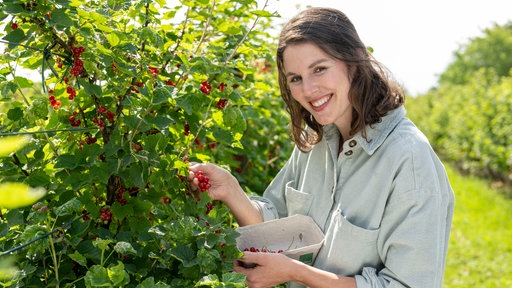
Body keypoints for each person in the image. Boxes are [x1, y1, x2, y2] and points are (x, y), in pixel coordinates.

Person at [188, 7, 454, 288]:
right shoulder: (316, 143)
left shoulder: (409, 159)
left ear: (353, 62)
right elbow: (277, 230)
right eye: (295, 78)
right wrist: (230, 190)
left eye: (319, 69)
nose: (308, 89)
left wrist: (297, 273)